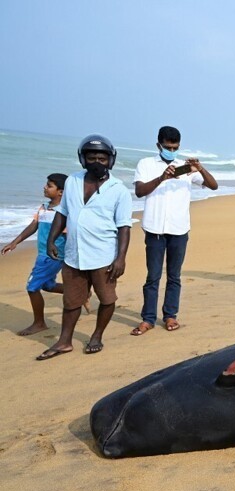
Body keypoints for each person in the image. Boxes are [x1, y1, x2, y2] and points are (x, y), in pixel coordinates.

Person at [37, 135, 133, 360]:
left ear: (111, 160)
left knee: (107, 299)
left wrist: (121, 258)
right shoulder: (72, 181)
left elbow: (124, 227)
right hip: (74, 254)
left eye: (102, 158)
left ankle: (97, 335)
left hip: (103, 256)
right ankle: (64, 341)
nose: (97, 162)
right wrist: (51, 240)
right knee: (71, 301)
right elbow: (63, 213)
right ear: (83, 159)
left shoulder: (118, 190)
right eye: (92, 158)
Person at [130, 126, 218, 336]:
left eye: (175, 147)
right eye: (167, 147)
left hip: (179, 228)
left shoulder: (184, 167)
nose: (171, 150)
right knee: (152, 276)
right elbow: (140, 191)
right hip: (154, 228)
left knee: (174, 276)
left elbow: (213, 185)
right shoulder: (146, 164)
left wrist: (200, 168)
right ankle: (148, 319)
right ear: (158, 145)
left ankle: (170, 315)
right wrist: (162, 178)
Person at [1, 173, 77, 335]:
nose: (45, 187)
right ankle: (80, 293)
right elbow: (33, 225)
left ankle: (39, 323)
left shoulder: (63, 213)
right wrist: (15, 242)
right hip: (42, 253)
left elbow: (69, 235)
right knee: (47, 285)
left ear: (61, 192)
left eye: (49, 185)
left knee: (32, 287)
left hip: (52, 256)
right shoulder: (44, 207)